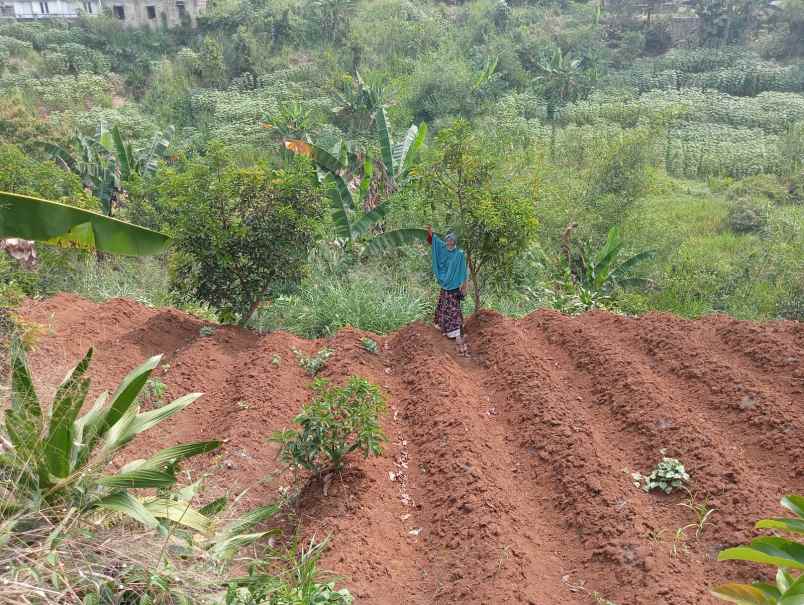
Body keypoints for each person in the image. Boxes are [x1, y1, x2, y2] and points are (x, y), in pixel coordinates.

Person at [427, 225, 469, 357]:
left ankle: (457, 337)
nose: (449, 242)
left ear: (454, 241)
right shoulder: (443, 249)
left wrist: (464, 284)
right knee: (444, 308)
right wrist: (431, 233)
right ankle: (448, 332)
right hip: (445, 286)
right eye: (447, 240)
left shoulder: (459, 255)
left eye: (451, 240)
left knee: (454, 310)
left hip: (454, 287)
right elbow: (435, 242)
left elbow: (463, 270)